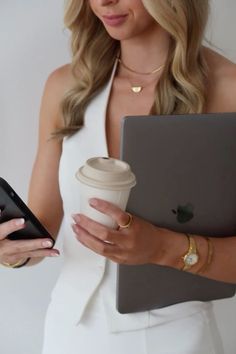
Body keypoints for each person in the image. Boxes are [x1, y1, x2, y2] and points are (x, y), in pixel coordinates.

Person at [1, 0, 236, 353]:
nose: (103, 2)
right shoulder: (66, 86)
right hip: (70, 334)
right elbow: (41, 233)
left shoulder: (227, 89)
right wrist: (11, 250)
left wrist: (162, 248)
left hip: (178, 341)